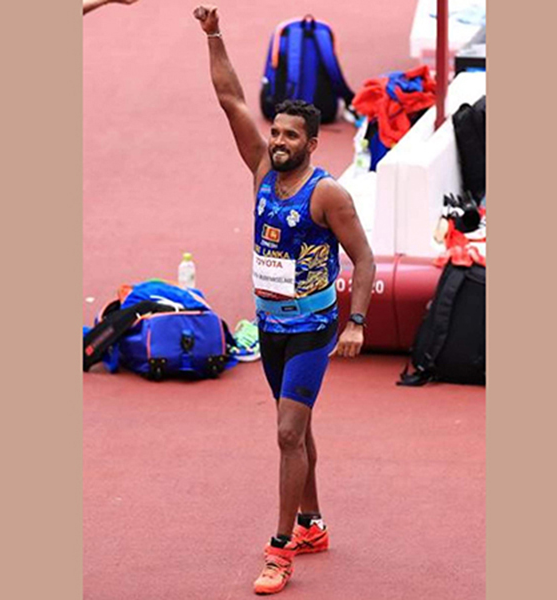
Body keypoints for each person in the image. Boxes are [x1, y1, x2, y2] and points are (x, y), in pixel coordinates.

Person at [193, 5, 376, 595]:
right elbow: (232, 99)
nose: (277, 141)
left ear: (312, 144)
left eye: (290, 136)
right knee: (294, 428)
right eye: (275, 132)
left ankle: (280, 551)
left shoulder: (330, 197)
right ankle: (312, 523)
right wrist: (214, 34)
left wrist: (356, 323)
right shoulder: (260, 173)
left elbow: (365, 258)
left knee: (287, 434)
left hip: (314, 327)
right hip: (269, 327)